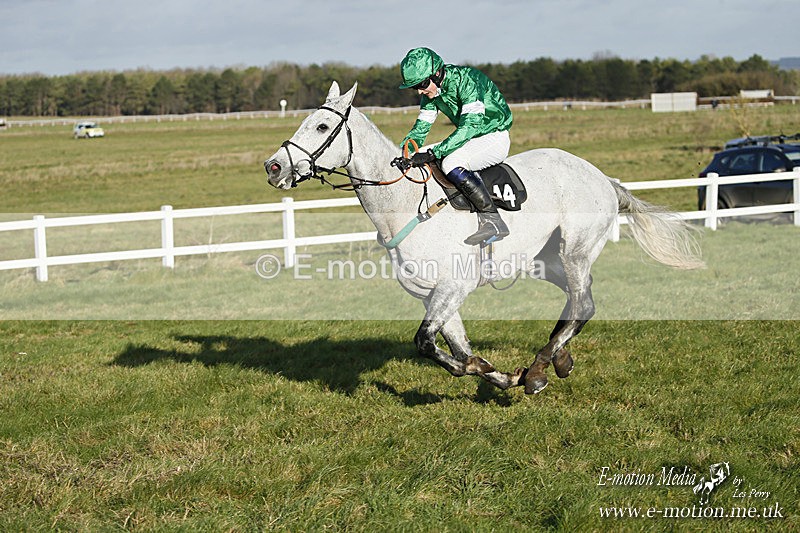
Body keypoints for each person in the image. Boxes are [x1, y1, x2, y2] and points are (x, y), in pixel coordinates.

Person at [399, 47, 513, 245]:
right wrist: (406, 153)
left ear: (437, 73)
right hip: (472, 139)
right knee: (421, 154)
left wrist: (436, 152)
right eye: (414, 87)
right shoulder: (430, 94)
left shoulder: (467, 80)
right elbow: (421, 129)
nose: (420, 91)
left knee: (450, 162)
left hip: (494, 136)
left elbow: (470, 126)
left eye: (423, 84)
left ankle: (493, 220)